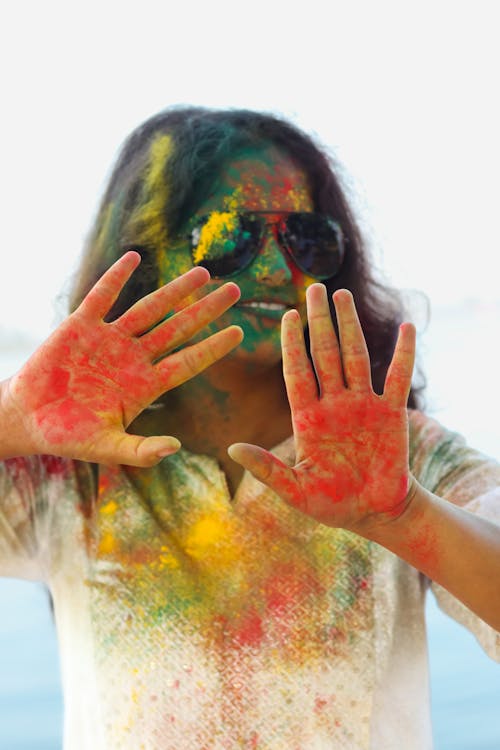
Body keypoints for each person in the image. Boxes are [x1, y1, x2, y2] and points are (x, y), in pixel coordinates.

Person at [0, 106, 499, 750]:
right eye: (228, 236)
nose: (272, 269)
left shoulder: (399, 460)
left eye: (307, 237)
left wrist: (402, 516)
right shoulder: (70, 472)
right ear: (147, 260)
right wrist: (12, 419)